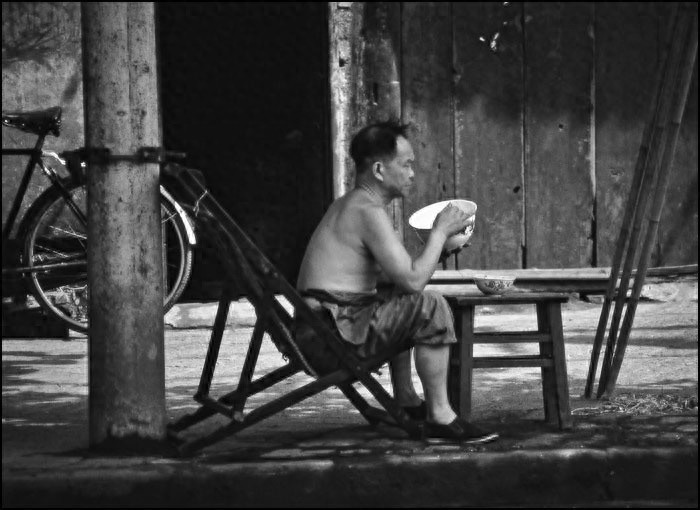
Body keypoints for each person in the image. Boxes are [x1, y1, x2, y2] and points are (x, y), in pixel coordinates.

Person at [295, 120, 498, 444]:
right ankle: (441, 416)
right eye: (406, 164)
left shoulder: (351, 204)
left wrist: (440, 250)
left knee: (397, 296)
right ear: (379, 169)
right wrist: (439, 232)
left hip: (319, 333)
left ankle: (406, 399)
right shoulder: (367, 211)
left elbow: (398, 276)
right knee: (430, 306)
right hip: (328, 341)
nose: (413, 173)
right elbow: (415, 282)